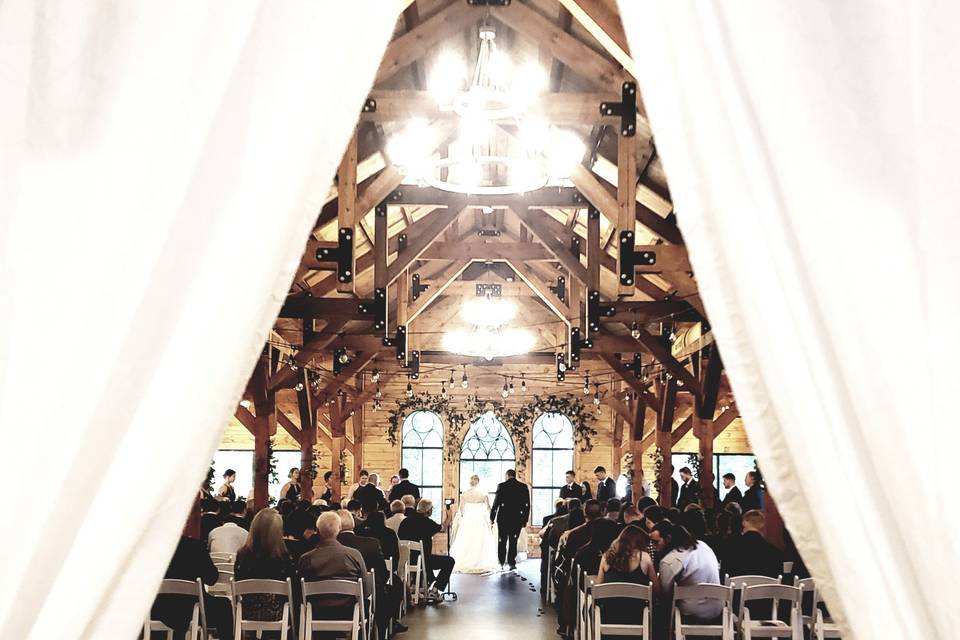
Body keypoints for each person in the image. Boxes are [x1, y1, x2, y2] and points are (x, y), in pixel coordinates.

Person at [152, 528, 233, 638]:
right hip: (192, 610)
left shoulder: (152, 551)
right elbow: (212, 579)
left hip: (160, 610)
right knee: (224, 605)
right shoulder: (195, 547)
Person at [336, 509, 406, 634]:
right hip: (363, 597)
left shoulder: (316, 548)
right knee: (394, 584)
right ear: (352, 524)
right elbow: (383, 573)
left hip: (325, 604)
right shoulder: (370, 543)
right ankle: (389, 623)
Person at [298, 512, 366, 621]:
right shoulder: (354, 555)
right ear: (339, 529)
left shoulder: (306, 559)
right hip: (349, 612)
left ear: (317, 530)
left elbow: (299, 591)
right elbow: (365, 588)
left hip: (316, 613)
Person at [234, 508, 296, 625]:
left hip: (248, 613)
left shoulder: (242, 557)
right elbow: (292, 588)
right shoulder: (284, 559)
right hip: (278, 614)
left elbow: (238, 581)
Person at [652, 521, 722, 622]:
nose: (653, 546)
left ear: (668, 539)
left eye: (656, 542)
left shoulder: (669, 560)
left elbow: (665, 594)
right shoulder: (703, 545)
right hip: (717, 608)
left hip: (691, 612)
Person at [596, 526, 659, 630]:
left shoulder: (607, 557)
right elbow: (657, 590)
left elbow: (598, 589)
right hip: (637, 617)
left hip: (608, 616)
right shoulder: (645, 558)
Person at [398, 498, 455, 601]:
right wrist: (449, 517)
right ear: (428, 511)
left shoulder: (405, 521)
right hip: (424, 560)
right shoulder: (427, 523)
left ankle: (419, 584)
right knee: (449, 561)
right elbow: (442, 528)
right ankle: (435, 590)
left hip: (406, 560)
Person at [449, 474, 499, 573]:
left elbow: (461, 510)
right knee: (480, 542)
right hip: (480, 522)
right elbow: (489, 509)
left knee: (467, 541)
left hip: (468, 521)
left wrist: (464, 518)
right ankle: (480, 561)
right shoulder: (483, 494)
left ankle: (466, 561)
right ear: (478, 482)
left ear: (470, 482)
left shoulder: (464, 495)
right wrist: (490, 520)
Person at [721, 509, 783, 579]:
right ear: (762, 525)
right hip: (764, 589)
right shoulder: (775, 553)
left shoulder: (730, 548)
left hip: (737, 589)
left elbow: (723, 577)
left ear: (744, 523)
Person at [490, 469, 530, 570]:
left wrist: (492, 517)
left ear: (507, 476)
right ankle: (512, 562)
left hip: (503, 517)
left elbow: (496, 503)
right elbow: (527, 505)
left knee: (502, 540)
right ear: (514, 475)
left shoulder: (502, 486)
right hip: (517, 518)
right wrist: (525, 519)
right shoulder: (523, 487)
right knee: (513, 540)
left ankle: (502, 562)